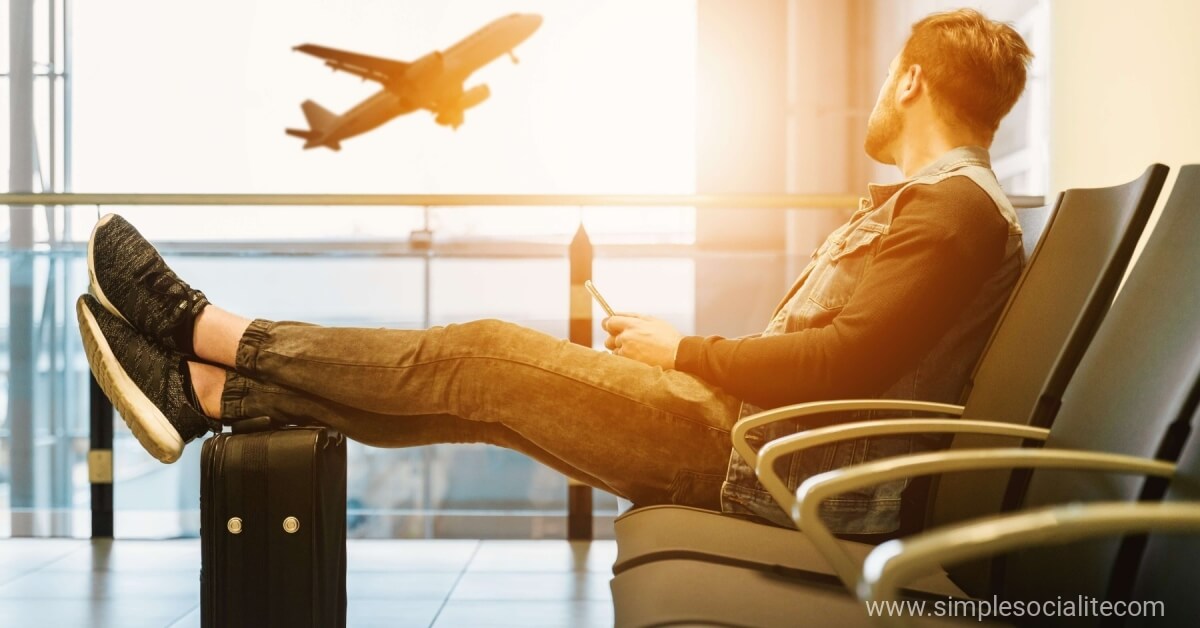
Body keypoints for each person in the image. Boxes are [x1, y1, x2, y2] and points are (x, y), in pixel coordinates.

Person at [77, 8, 1032, 534]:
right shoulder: (944, 210)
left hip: (758, 464)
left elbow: (843, 366)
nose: (873, 97)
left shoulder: (951, 213)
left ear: (909, 80)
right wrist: (685, 356)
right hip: (757, 448)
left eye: (883, 79)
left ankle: (202, 328)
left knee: (480, 355)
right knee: (482, 399)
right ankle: (206, 395)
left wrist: (687, 350)